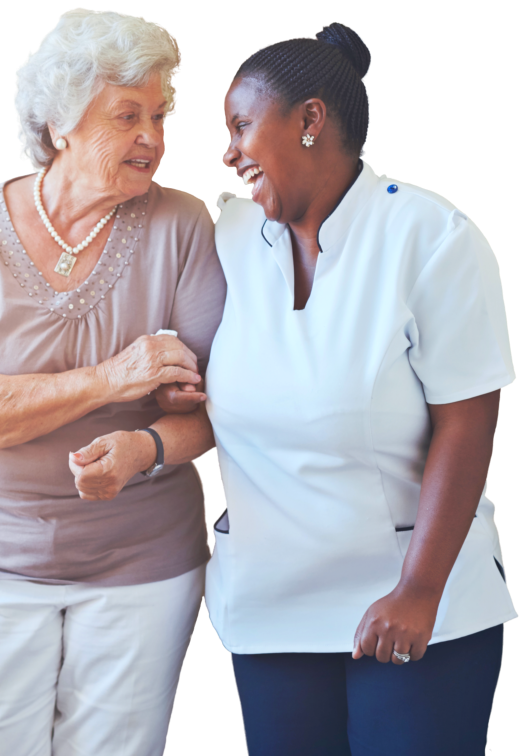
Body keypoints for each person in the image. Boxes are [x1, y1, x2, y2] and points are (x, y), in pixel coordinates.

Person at [165, 21, 517, 756]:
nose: (228, 154)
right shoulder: (228, 239)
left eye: (240, 126)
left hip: (416, 607)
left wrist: (419, 591)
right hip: (268, 611)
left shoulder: (432, 236)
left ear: (310, 121)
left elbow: (467, 423)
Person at [0, 9, 223, 755]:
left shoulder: (183, 224)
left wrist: (144, 447)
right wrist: (118, 377)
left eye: (159, 114)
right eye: (127, 115)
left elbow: (220, 409)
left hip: (144, 560)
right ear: (62, 125)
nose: (152, 136)